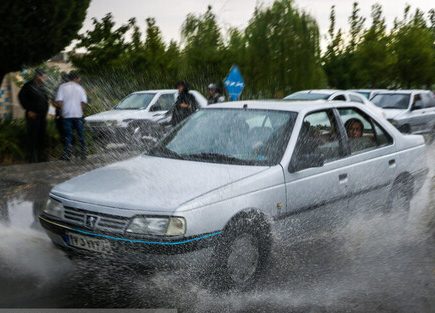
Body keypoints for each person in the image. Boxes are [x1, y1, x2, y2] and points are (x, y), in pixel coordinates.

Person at [18, 68, 49, 163]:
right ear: (38, 76)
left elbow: (45, 99)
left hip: (42, 115)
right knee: (32, 135)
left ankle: (41, 157)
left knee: (41, 135)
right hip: (32, 115)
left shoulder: (43, 86)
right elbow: (21, 98)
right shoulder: (28, 86)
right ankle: (31, 157)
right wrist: (29, 110)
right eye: (43, 76)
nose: (44, 78)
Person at [55, 71, 88, 160]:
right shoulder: (80, 88)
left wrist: (62, 110)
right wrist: (81, 111)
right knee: (80, 134)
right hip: (78, 115)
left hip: (66, 115)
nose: (80, 80)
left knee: (68, 135)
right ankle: (83, 153)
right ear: (76, 78)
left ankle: (67, 154)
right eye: (79, 78)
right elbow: (83, 102)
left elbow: (59, 102)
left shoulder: (62, 87)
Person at [54, 72, 70, 143]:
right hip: (65, 113)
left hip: (62, 114)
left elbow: (54, 101)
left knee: (63, 133)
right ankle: (69, 149)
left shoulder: (58, 87)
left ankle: (67, 149)